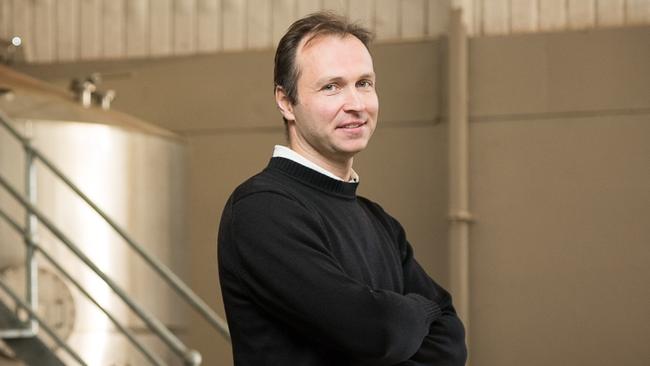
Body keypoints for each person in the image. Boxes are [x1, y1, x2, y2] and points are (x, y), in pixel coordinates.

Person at [218, 11, 467, 365]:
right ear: (286, 101)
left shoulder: (379, 222)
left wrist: (403, 320)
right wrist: (423, 311)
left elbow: (452, 342)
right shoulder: (262, 209)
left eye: (364, 83)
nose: (356, 104)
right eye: (331, 86)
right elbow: (375, 331)